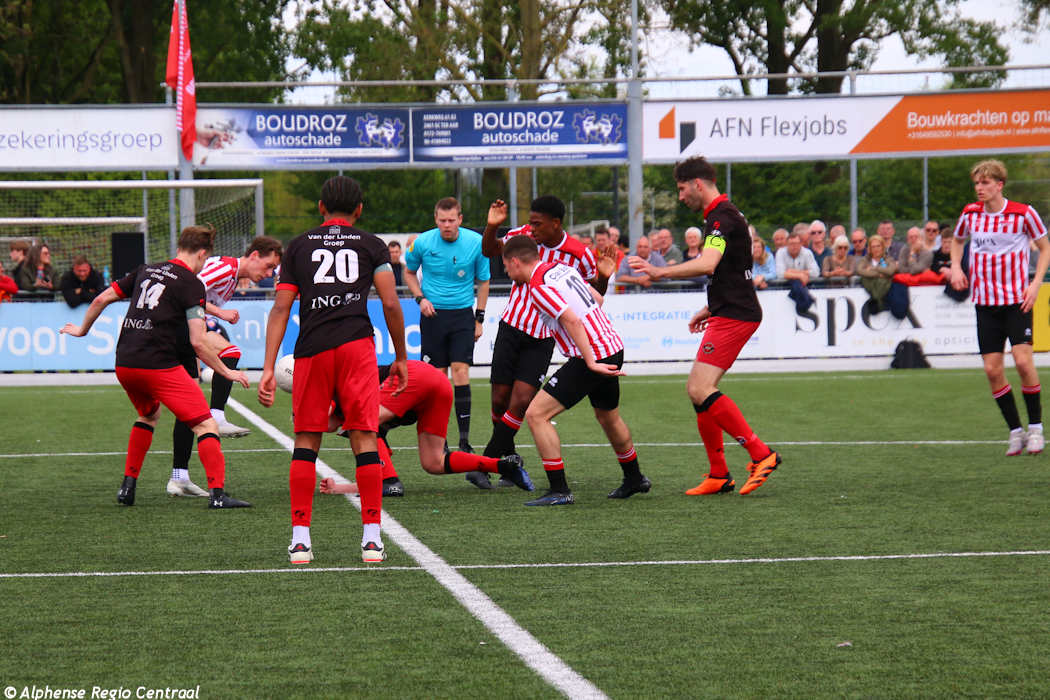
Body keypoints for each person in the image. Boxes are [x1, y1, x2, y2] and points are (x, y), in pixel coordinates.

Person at [258, 175, 408, 565]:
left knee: (306, 440)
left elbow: (281, 308)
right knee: (365, 438)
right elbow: (391, 303)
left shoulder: (298, 246)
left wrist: (269, 367)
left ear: (321, 207)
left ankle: (300, 541)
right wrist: (401, 357)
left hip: (313, 350)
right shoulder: (372, 244)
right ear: (359, 210)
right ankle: (372, 540)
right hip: (357, 348)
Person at [59, 225, 251, 510]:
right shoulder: (192, 283)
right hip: (158, 364)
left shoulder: (145, 270)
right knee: (206, 424)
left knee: (149, 415)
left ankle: (128, 486)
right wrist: (227, 371)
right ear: (202, 254)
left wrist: (82, 330)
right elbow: (198, 342)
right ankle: (218, 495)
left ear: (179, 248)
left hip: (125, 362)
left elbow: (101, 298)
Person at [629, 156, 781, 496]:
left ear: (698, 184)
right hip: (728, 309)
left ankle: (762, 454)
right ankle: (718, 474)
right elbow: (733, 270)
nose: (681, 196)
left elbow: (709, 263)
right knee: (699, 392)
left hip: (736, 315)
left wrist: (660, 272)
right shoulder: (723, 215)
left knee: (699, 388)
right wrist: (709, 307)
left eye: (682, 189)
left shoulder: (721, 217)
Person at [501, 235, 648, 505]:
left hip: (593, 355)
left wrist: (589, 361)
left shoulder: (538, 285)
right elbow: (597, 300)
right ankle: (635, 477)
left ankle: (559, 490)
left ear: (515, 262)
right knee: (608, 417)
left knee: (536, 414)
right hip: (612, 346)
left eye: (506, 266)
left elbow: (572, 320)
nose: (507, 272)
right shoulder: (561, 268)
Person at [479, 196, 611, 488]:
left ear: (556, 223)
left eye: (538, 223)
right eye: (531, 222)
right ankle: (508, 461)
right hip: (511, 326)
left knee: (521, 402)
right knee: (499, 401)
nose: (532, 228)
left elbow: (593, 293)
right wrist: (492, 227)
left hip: (542, 337)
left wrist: (603, 277)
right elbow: (489, 251)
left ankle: (486, 463)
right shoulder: (520, 236)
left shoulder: (580, 253)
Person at [165, 236, 283, 498]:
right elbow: (187, 291)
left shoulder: (231, 277)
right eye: (268, 266)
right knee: (229, 353)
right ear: (254, 255)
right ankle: (217, 415)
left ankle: (179, 478)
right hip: (174, 329)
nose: (268, 273)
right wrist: (220, 313)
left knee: (187, 405)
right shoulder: (224, 269)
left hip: (183, 330)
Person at [950, 159, 1050, 456]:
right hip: (985, 304)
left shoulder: (1023, 213)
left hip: (1017, 302)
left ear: (999, 184)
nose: (979, 188)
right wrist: (955, 267)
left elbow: (1045, 248)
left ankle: (1036, 429)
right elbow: (957, 241)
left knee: (1023, 363)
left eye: (985, 183)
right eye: (976, 183)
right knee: (992, 370)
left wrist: (1036, 284)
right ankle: (1015, 432)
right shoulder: (970, 214)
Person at [319, 360, 534, 496]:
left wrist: (306, 420)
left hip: (413, 375)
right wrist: (339, 488)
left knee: (360, 425)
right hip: (435, 381)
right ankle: (503, 466)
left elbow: (323, 419)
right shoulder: (358, 418)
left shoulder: (339, 395)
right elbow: (373, 471)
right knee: (434, 462)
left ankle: (391, 483)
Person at [404, 197, 490, 455]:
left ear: (460, 219)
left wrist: (479, 318)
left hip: (462, 316)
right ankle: (439, 440)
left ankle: (464, 441)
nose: (447, 225)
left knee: (461, 372)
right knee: (437, 379)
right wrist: (420, 299)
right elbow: (408, 272)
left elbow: (483, 281)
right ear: (436, 220)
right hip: (433, 317)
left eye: (452, 220)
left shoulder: (476, 243)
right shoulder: (422, 242)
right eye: (442, 220)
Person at [775, 232, 820, 313]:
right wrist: (800, 276)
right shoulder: (780, 253)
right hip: (784, 287)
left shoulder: (807, 252)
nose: (794, 246)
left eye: (796, 243)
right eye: (791, 244)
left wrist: (793, 272)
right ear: (786, 244)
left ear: (801, 244)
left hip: (806, 285)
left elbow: (816, 272)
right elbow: (780, 273)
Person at [855, 234, 898, 313]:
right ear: (870, 249)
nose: (876, 249)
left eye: (878, 246)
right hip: (869, 294)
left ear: (882, 247)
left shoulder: (888, 259)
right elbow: (859, 270)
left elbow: (890, 271)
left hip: (886, 292)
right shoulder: (866, 259)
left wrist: (874, 268)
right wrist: (879, 274)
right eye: (873, 247)